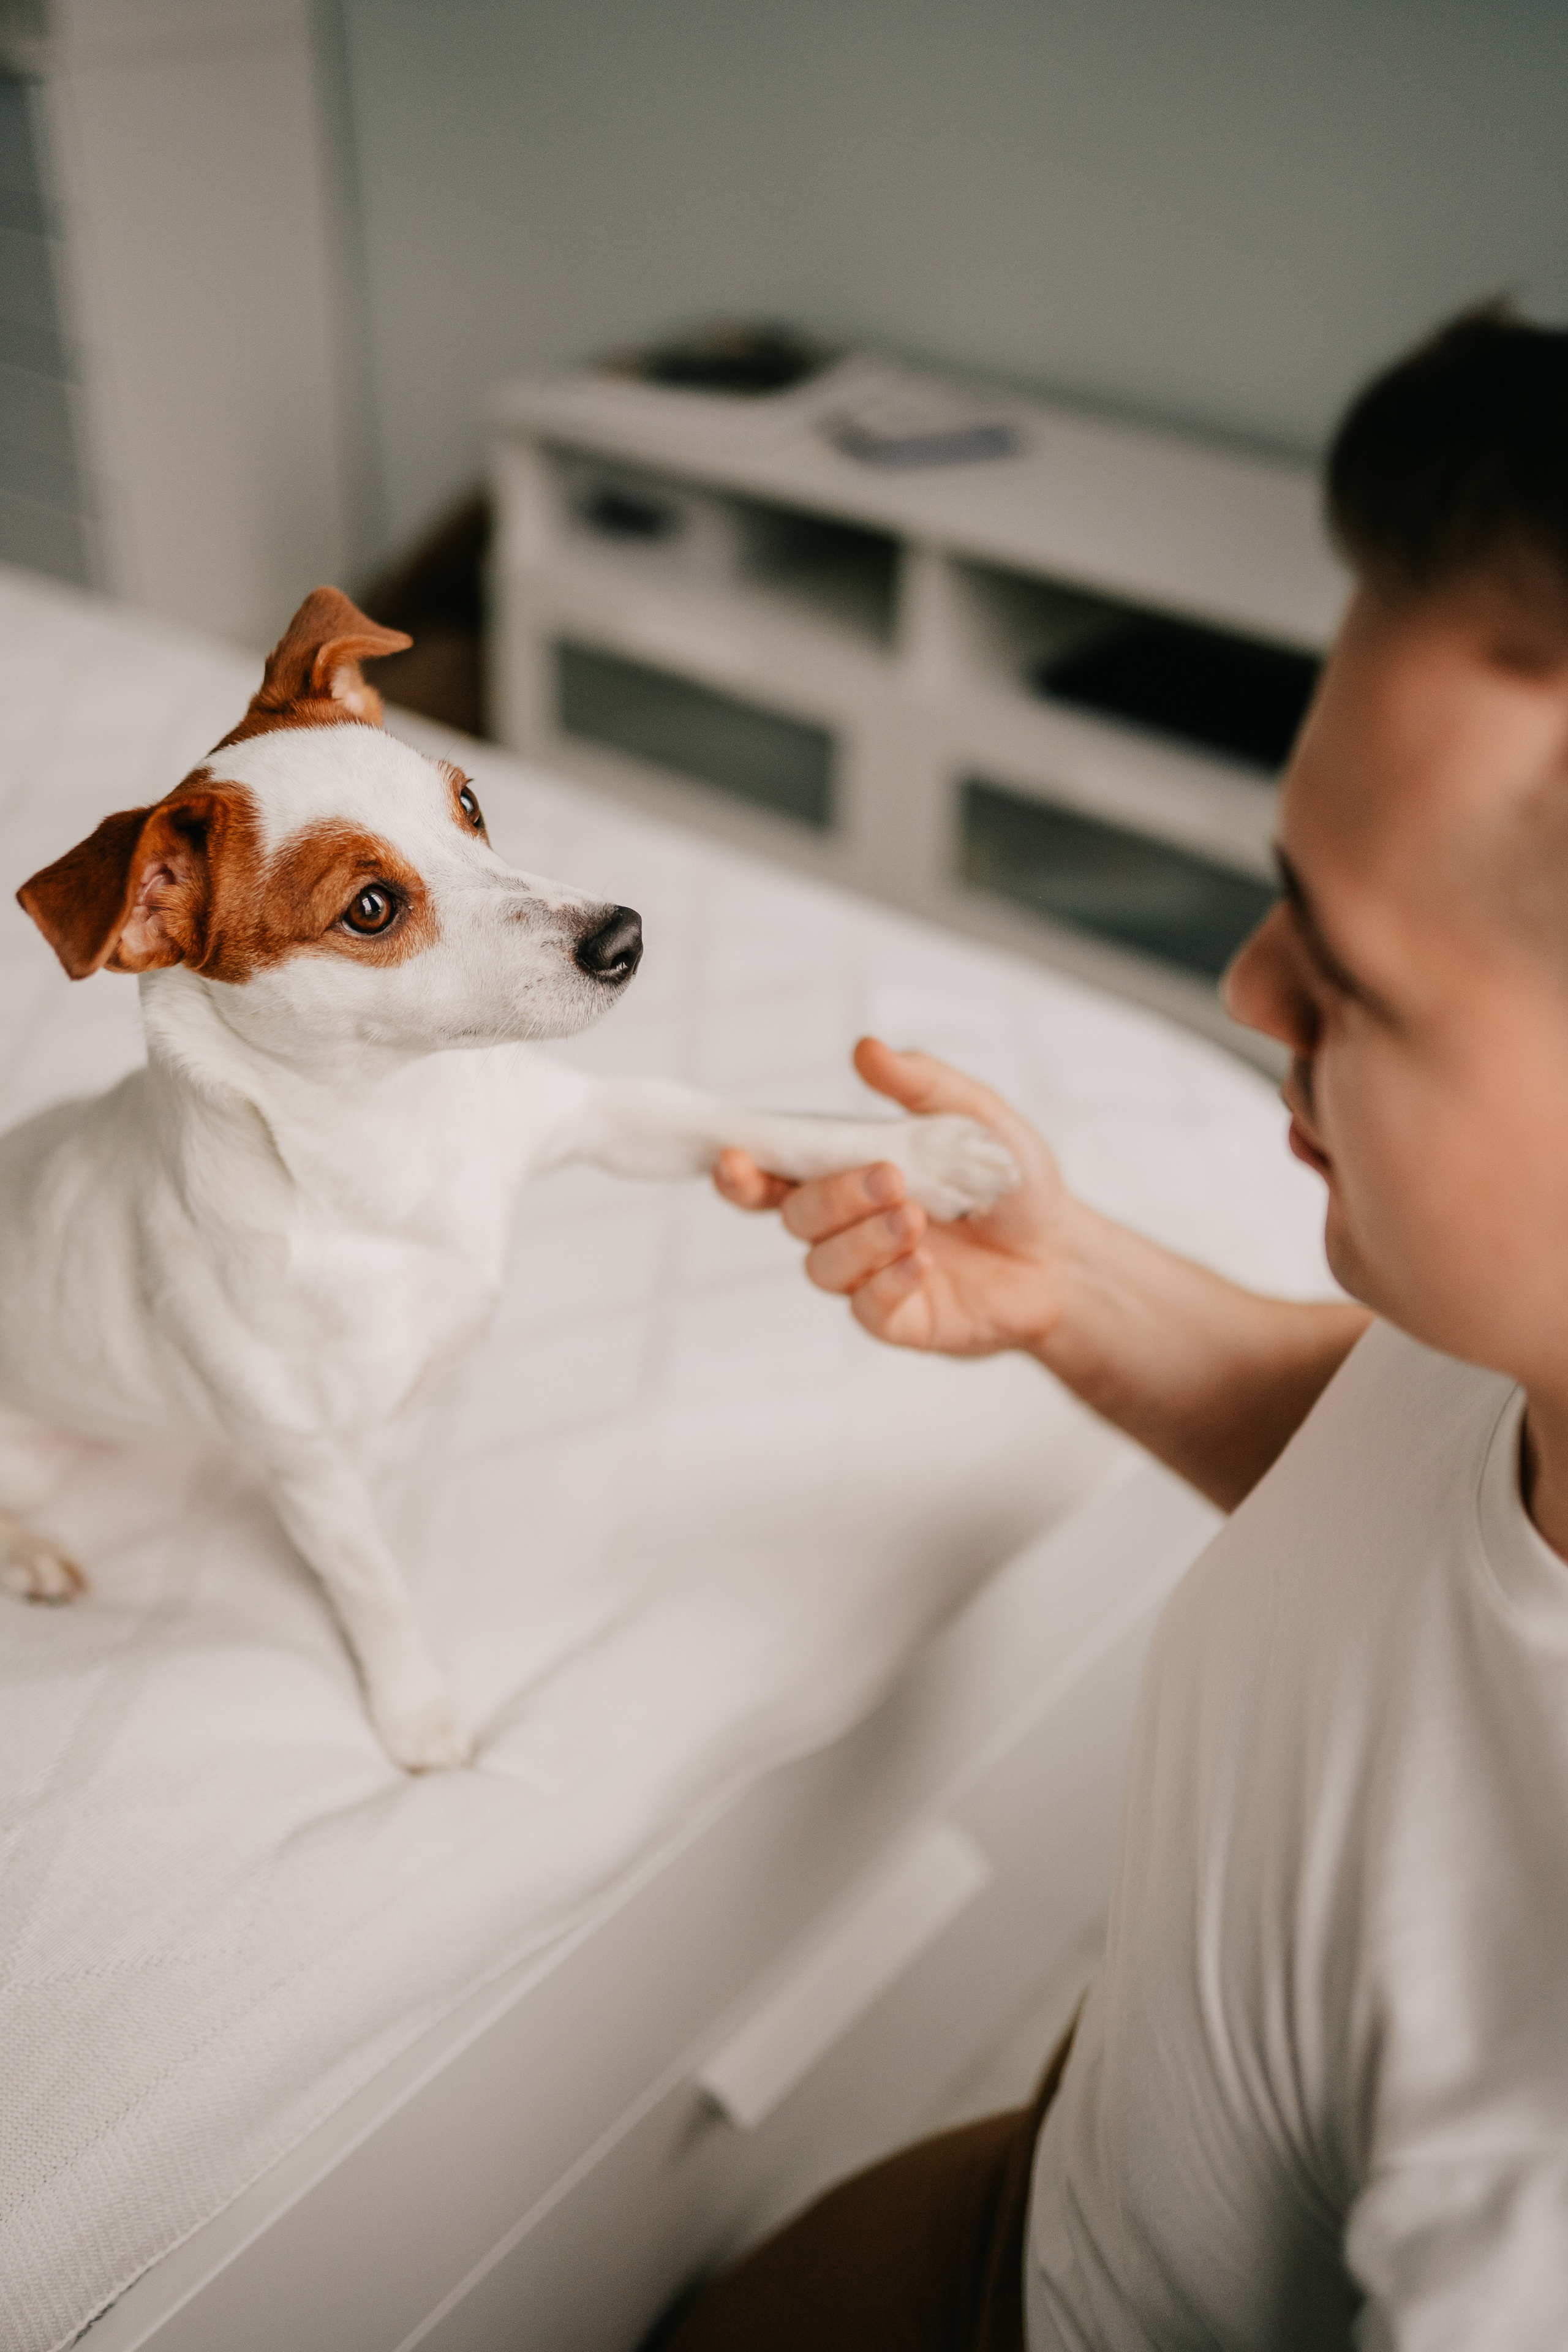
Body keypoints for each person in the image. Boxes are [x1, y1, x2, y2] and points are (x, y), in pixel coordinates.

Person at [653, 307, 1568, 2350]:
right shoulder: (1520, 1357)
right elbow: (1419, 1501)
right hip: (1053, 2180)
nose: (1252, 993)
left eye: (1350, 982)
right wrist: (1086, 1294)